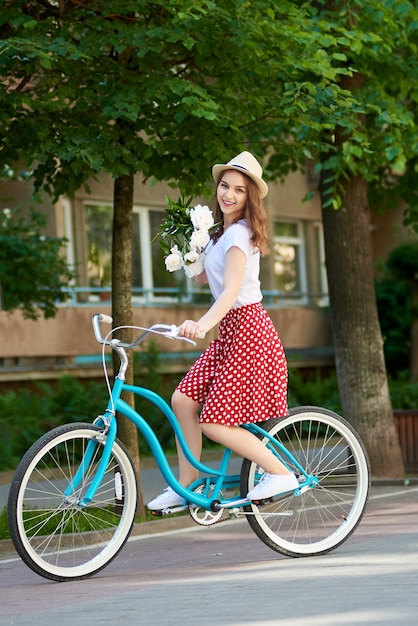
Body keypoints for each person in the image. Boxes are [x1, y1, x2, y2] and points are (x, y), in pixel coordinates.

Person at [147, 151, 298, 510]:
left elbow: (230, 292)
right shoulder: (220, 234)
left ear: (251, 198)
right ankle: (188, 485)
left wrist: (200, 324)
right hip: (229, 333)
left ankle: (280, 474)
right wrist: (189, 248)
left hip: (249, 331)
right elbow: (205, 276)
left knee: (215, 422)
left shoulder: (240, 235)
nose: (228, 194)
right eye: (224, 186)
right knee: (182, 401)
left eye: (239, 190)